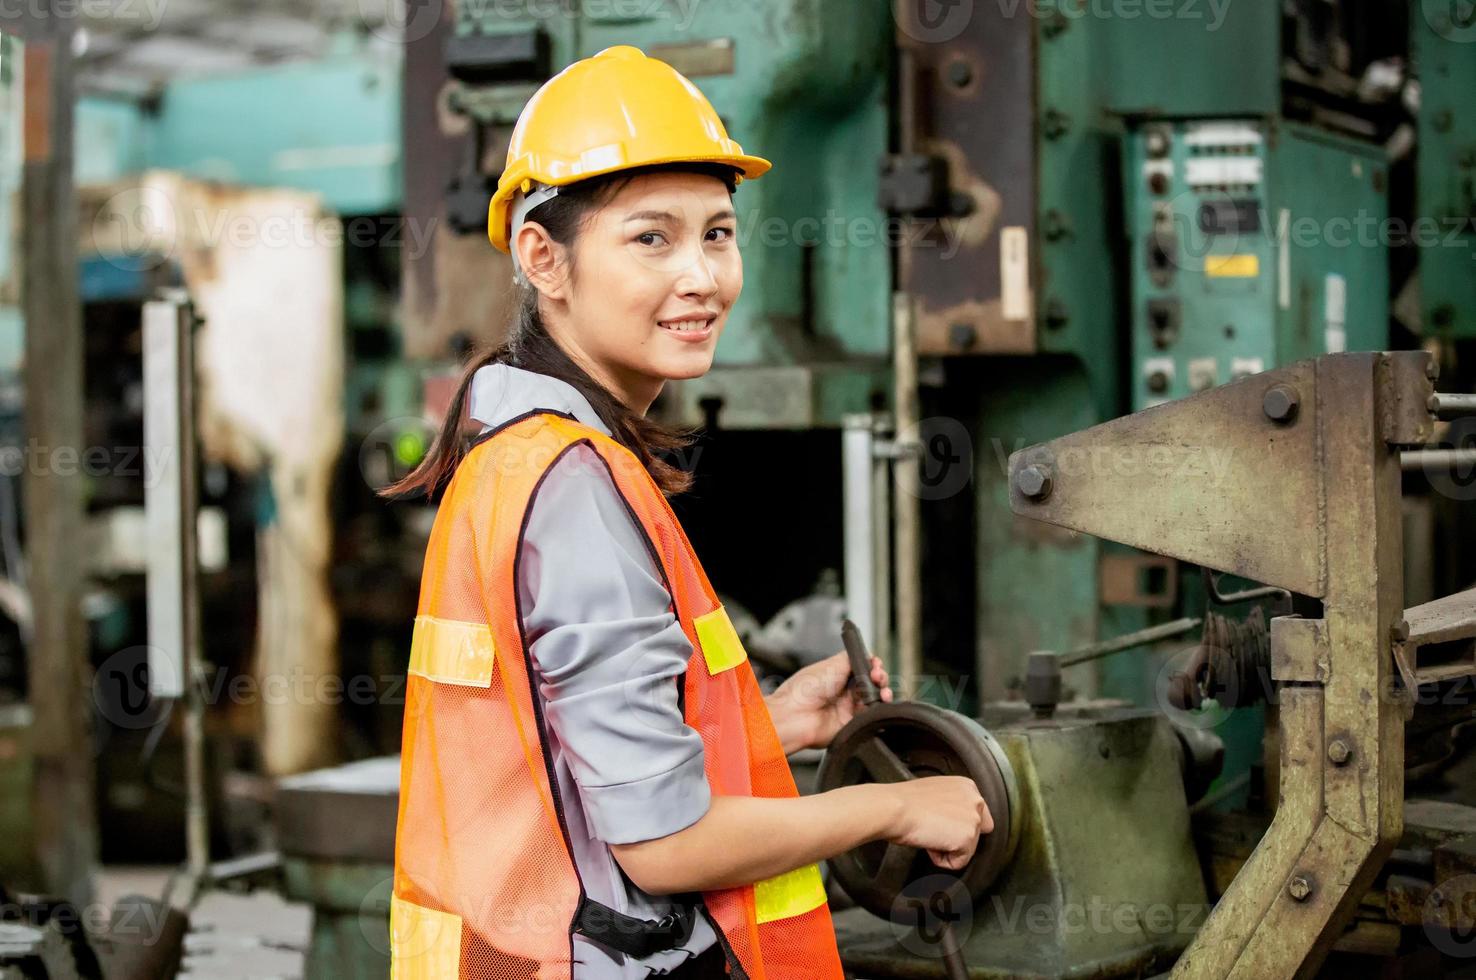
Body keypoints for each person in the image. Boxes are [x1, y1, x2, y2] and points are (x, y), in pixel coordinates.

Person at [382, 45, 992, 979]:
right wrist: (900, 808)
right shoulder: (573, 487)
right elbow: (662, 848)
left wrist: (770, 726)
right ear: (543, 258)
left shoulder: (514, 452)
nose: (703, 277)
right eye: (651, 238)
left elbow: (562, 759)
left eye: (717, 232)